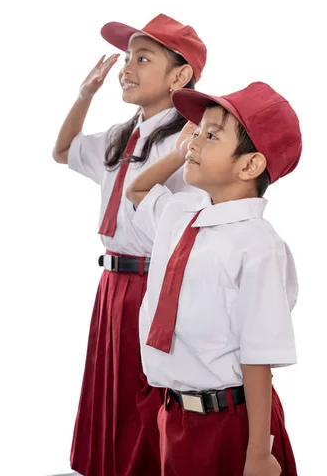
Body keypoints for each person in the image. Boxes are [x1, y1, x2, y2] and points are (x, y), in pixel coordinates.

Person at [52, 14, 208, 476]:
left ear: (180, 76)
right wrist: (85, 95)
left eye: (143, 58)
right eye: (126, 57)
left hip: (154, 283)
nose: (127, 67)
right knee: (111, 392)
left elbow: (195, 223)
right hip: (112, 284)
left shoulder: (187, 140)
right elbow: (63, 151)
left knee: (148, 396)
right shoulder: (122, 134)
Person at [126, 81, 301, 475]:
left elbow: (258, 355)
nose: (194, 141)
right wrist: (177, 153)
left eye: (210, 135)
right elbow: (136, 189)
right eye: (196, 131)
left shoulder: (257, 244)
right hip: (174, 415)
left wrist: (258, 453)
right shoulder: (180, 212)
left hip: (232, 421)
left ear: (249, 165)